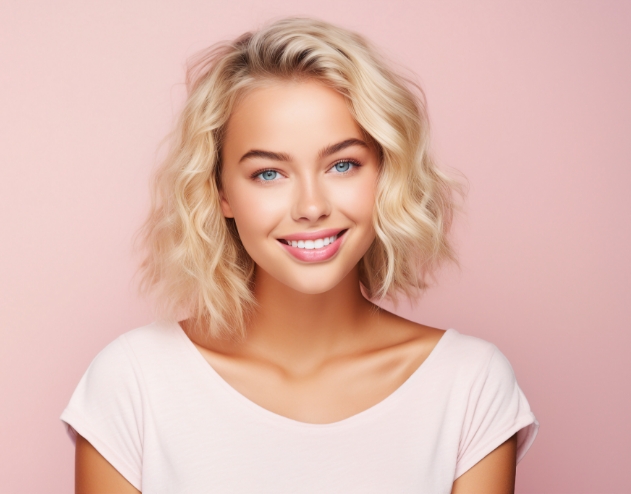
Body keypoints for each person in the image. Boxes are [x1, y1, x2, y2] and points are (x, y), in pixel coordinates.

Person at [61, 17, 538, 493]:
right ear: (220, 192)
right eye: (269, 173)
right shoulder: (134, 383)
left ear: (385, 176)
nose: (312, 207)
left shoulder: (468, 385)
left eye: (343, 164)